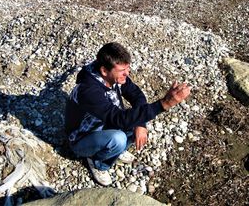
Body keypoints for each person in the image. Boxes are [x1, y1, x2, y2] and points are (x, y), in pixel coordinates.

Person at [65, 42, 191, 186]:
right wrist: (165, 104)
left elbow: (137, 96)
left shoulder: (113, 75)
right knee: (118, 139)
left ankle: (113, 152)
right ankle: (98, 163)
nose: (127, 73)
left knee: (137, 122)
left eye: (128, 68)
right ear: (104, 71)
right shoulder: (88, 91)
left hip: (105, 123)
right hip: (81, 138)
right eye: (122, 70)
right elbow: (118, 119)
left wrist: (141, 124)